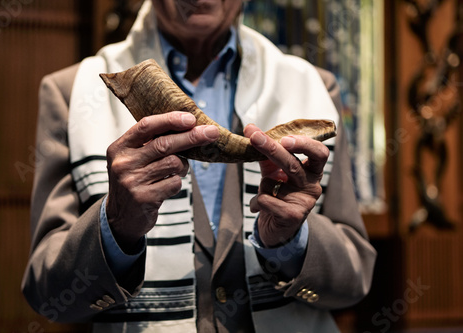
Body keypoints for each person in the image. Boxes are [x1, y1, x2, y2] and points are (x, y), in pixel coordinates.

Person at [22, 0, 377, 332]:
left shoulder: (313, 88)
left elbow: (354, 281)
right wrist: (114, 226)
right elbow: (50, 298)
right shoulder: (73, 93)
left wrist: (293, 241)